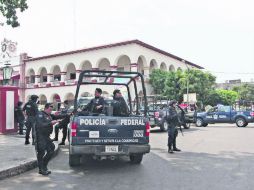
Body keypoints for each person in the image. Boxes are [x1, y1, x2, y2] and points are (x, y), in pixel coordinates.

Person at [35, 103, 66, 175]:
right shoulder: (40, 115)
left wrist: (68, 115)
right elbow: (40, 125)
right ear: (45, 108)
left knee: (51, 149)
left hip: (46, 136)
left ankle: (44, 166)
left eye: (52, 110)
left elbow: (57, 116)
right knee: (41, 153)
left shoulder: (49, 115)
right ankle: (41, 169)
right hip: (40, 136)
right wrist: (50, 123)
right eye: (50, 109)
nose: (51, 111)